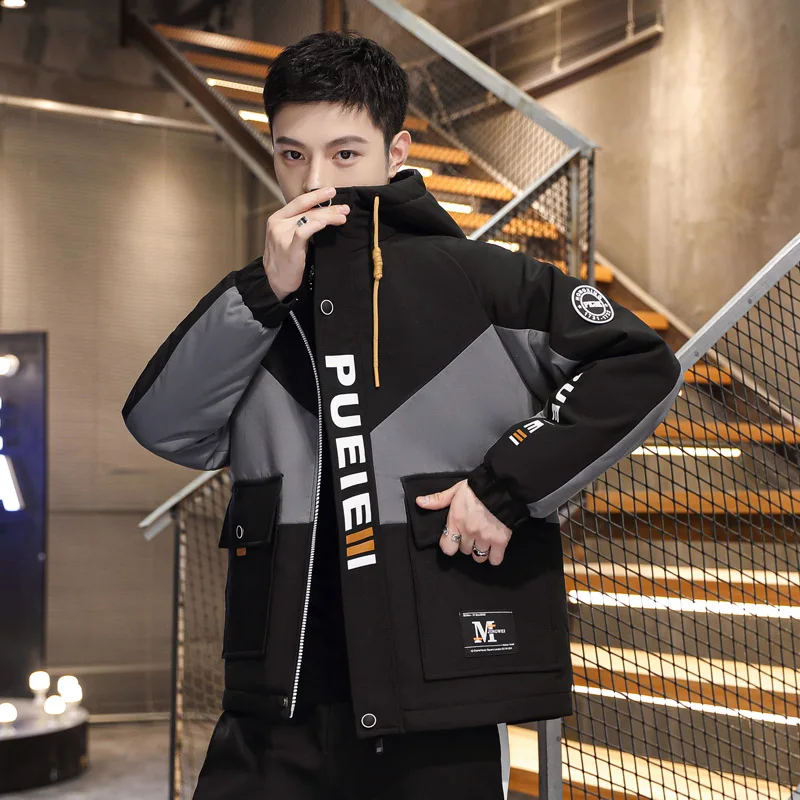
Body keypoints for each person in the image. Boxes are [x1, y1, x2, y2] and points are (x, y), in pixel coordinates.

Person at [122, 30, 683, 800]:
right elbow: (165, 424)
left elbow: (638, 361)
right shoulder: (257, 307)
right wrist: (261, 293)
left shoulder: (481, 282)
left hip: (435, 710)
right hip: (274, 710)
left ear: (397, 152)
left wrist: (504, 487)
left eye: (345, 153)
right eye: (292, 154)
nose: (315, 181)